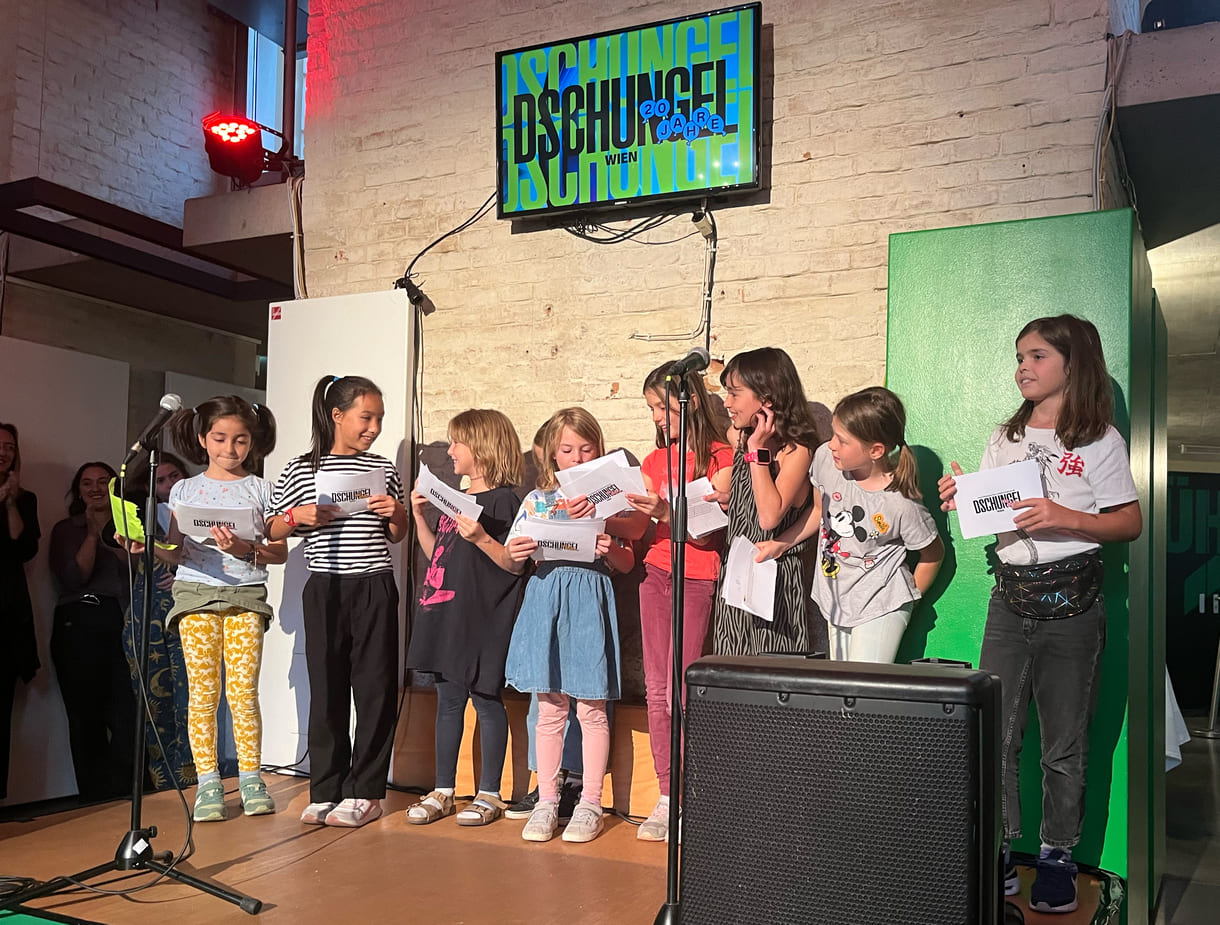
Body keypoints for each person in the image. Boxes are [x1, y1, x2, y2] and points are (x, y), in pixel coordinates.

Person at [938, 315, 1142, 914]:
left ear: (1072, 364)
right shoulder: (1006, 435)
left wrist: (1064, 517)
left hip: (1074, 605)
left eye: (1037, 356)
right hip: (1010, 598)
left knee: (1064, 741)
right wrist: (964, 496)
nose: (1023, 366)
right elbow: (996, 513)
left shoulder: (1100, 439)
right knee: (997, 733)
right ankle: (1000, 849)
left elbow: (1127, 522)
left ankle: (1056, 857)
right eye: (1019, 356)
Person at [130, 398, 285, 821]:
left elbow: (280, 551)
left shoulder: (260, 487)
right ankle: (208, 783)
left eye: (240, 440)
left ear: (252, 443)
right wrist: (151, 549)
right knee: (202, 694)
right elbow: (178, 552)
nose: (230, 449)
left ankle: (251, 778)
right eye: (219, 438)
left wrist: (243, 548)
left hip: (245, 596)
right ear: (203, 439)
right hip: (195, 594)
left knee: (242, 692)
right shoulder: (185, 489)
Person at [268, 375, 407, 828]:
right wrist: (296, 516)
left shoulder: (383, 468)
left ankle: (365, 791)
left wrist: (397, 514)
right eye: (366, 417)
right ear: (337, 415)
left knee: (375, 688)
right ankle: (326, 787)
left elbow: (398, 534)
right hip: (324, 584)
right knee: (325, 687)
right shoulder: (300, 468)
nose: (374, 427)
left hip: (373, 584)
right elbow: (270, 529)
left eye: (379, 419)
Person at [503, 408, 635, 843]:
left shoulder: (610, 501)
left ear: (598, 451)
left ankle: (591, 802)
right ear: (552, 456)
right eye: (567, 449)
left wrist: (607, 547)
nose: (576, 457)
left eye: (586, 448)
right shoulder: (536, 500)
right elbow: (511, 557)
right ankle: (547, 801)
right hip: (546, 600)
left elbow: (626, 560)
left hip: (589, 601)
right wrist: (518, 550)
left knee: (592, 708)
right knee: (550, 709)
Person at [625, 363, 733, 841]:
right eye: (651, 409)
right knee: (656, 690)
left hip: (696, 576)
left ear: (688, 402)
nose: (658, 417)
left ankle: (693, 794)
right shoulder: (653, 462)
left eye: (664, 407)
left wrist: (671, 511)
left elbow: (712, 531)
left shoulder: (720, 455)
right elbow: (640, 527)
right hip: (655, 572)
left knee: (684, 689)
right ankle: (667, 796)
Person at [757, 387, 944, 663]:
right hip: (836, 597)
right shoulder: (826, 461)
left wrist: (906, 600)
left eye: (842, 440)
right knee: (843, 690)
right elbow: (821, 511)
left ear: (876, 450)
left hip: (880, 605)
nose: (831, 444)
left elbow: (933, 554)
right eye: (833, 434)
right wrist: (781, 542)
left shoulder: (900, 502)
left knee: (863, 690)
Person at [405, 409, 527, 826]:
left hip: (482, 618)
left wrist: (481, 536)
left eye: (457, 442)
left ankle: (489, 792)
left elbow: (513, 565)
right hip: (444, 613)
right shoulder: (455, 501)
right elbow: (437, 556)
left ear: (483, 448)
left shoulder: (504, 500)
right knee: (448, 701)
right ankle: (443, 789)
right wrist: (421, 517)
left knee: (487, 701)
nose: (450, 451)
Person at [711, 347, 821, 656]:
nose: (727, 403)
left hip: (773, 582)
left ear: (767, 397)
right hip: (737, 575)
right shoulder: (740, 436)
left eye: (735, 393)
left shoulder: (795, 451)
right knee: (733, 671)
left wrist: (758, 450)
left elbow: (770, 517)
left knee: (772, 674)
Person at [49, 461, 136, 801]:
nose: (96, 488)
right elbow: (73, 578)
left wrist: (111, 535)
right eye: (87, 483)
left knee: (126, 712)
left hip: (122, 620)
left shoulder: (129, 526)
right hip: (80, 619)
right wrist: (90, 531)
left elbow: (137, 569)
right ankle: (93, 801)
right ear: (78, 490)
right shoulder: (65, 528)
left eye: (103, 481)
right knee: (84, 716)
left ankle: (126, 795)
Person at [120, 452, 195, 791]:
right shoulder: (141, 513)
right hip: (146, 613)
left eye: (174, 475)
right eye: (160, 479)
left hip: (184, 611)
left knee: (189, 699)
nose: (168, 485)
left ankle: (193, 778)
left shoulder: (198, 508)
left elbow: (192, 556)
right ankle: (162, 781)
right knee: (151, 701)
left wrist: (177, 565)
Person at [0, 424, 40, 800]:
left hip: (7, 615)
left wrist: (10, 502)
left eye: (10, 446)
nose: (4, 452)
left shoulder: (25, 500)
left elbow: (24, 547)